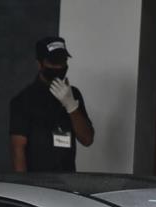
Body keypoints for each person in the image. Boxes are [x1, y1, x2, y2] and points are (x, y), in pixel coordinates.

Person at [9, 36, 94, 172]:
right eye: (53, 62)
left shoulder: (73, 94)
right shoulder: (24, 100)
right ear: (40, 64)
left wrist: (71, 106)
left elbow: (87, 139)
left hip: (67, 182)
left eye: (62, 61)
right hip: (37, 183)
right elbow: (18, 149)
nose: (58, 67)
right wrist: (25, 187)